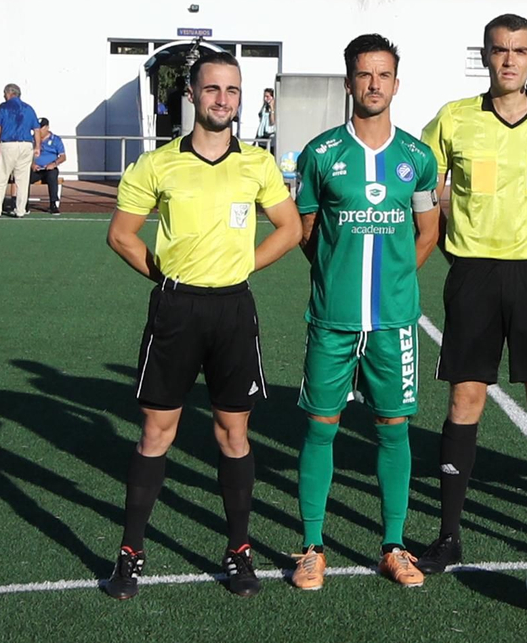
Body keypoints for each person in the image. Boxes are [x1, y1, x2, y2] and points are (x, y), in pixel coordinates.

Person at [102, 47, 302, 601]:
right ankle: (131, 551)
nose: (223, 99)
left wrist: (244, 266)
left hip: (233, 309)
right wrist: (164, 279)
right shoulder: (157, 164)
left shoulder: (258, 164)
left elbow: (289, 229)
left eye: (232, 90)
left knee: (233, 433)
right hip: (175, 310)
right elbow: (122, 234)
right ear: (191, 95)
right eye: (212, 89)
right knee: (156, 432)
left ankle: (238, 551)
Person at [414, 14, 527, 575]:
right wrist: (453, 251)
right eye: (499, 50)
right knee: (466, 400)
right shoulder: (454, 118)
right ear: (485, 56)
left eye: (521, 50)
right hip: (474, 276)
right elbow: (425, 188)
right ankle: (449, 535)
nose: (509, 59)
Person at [288, 34, 441, 591]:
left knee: (393, 429)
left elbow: (428, 231)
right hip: (333, 317)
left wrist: (397, 276)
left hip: (394, 321)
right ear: (349, 81)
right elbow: (307, 233)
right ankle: (311, 547)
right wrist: (338, 271)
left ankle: (394, 545)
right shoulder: (321, 154)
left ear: (396, 83)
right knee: (320, 427)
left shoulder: (417, 158)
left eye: (383, 75)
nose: (373, 84)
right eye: (363, 75)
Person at [0, 84, 40, 219]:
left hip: (8, 144)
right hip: (26, 145)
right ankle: (20, 210)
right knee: (22, 180)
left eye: (4, 93)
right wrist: (37, 147)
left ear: (9, 93)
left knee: (0, 178)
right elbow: (36, 129)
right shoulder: (29, 108)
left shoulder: (3, 107)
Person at [31, 118, 66, 214]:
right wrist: (32, 164)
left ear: (47, 128)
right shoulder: (31, 139)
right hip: (35, 168)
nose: (38, 131)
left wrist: (53, 164)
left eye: (40, 128)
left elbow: (63, 157)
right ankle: (23, 204)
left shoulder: (56, 139)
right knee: (25, 177)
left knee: (52, 176)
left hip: (49, 168)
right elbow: (26, 154)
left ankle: (53, 204)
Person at [255, 87, 276, 152]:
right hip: (262, 136)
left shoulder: (274, 107)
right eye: (264, 96)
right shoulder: (264, 107)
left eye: (267, 96)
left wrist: (272, 108)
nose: (265, 99)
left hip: (270, 136)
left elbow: (272, 122)